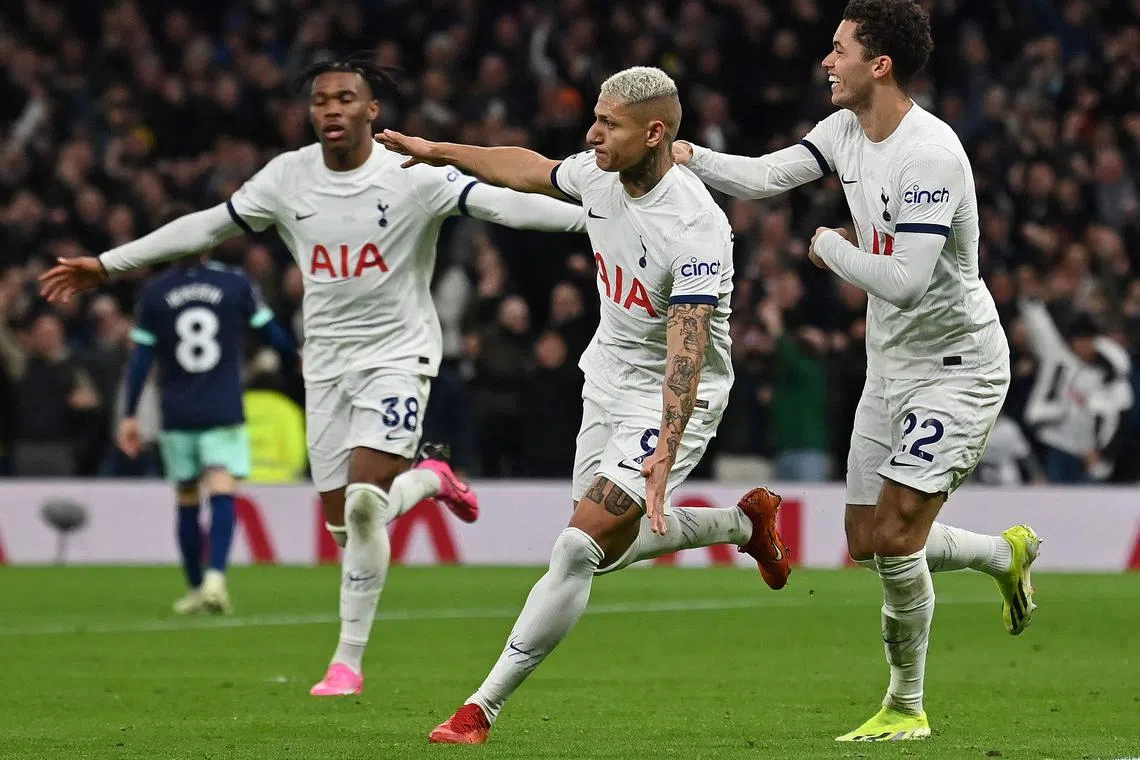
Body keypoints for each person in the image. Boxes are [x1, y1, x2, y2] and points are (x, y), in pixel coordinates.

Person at [38, 57, 588, 697]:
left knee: (361, 504)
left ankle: (346, 662)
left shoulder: (410, 175)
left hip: (398, 355)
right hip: (324, 364)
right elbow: (208, 226)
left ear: (371, 110)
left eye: (345, 98)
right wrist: (109, 264)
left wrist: (597, 218)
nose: (331, 108)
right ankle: (430, 478)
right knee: (348, 523)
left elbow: (505, 207)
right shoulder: (287, 177)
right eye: (321, 99)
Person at [379, 65, 790, 746]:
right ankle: (744, 527)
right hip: (605, 380)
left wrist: (665, 446)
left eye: (609, 123)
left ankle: (479, 709)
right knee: (604, 549)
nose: (592, 134)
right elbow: (528, 169)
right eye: (595, 118)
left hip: (671, 396)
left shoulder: (695, 226)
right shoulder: (602, 173)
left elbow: (686, 348)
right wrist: (439, 149)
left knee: (575, 548)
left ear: (654, 132)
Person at [672, 0, 1039, 741]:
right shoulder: (843, 130)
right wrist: (689, 158)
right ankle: (1004, 553)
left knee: (899, 537)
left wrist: (827, 246)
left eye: (838, 50)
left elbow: (904, 279)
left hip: (958, 366)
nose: (825, 61)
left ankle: (906, 707)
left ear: (880, 65)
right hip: (891, 367)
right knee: (868, 540)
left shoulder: (928, 153)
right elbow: (767, 175)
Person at [120, 255, 298, 614]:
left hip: (177, 410)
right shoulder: (234, 282)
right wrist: (296, 355)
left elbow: (141, 357)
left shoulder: (155, 291)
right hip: (223, 407)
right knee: (221, 485)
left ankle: (195, 586)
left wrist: (129, 413)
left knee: (186, 496)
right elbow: (269, 331)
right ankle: (216, 577)